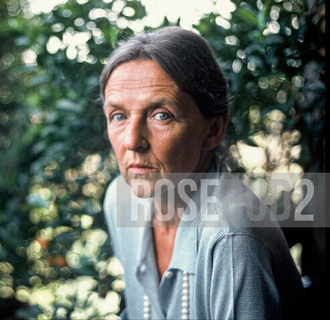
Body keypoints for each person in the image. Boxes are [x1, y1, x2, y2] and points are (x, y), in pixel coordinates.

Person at [101, 26, 305, 319]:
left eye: (162, 115)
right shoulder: (120, 199)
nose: (132, 141)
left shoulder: (232, 238)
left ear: (213, 130)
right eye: (118, 116)